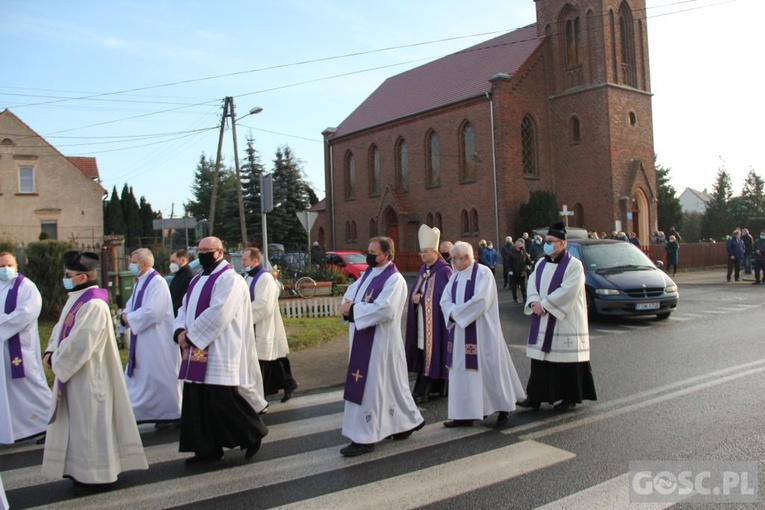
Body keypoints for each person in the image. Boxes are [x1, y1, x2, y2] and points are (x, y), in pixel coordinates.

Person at [42, 251, 147, 485]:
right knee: (79, 427)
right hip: (74, 375)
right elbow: (60, 330)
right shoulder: (76, 298)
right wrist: (50, 351)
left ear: (82, 277)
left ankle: (97, 476)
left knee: (90, 426)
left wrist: (56, 361)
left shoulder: (95, 304)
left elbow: (82, 343)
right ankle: (78, 471)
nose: (64, 279)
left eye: (68, 275)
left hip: (90, 376)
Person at [174, 237, 268, 464]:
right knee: (198, 401)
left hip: (220, 349)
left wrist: (191, 336)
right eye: (201, 250)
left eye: (208, 250)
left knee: (221, 399)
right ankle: (207, 449)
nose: (204, 253)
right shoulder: (196, 280)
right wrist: (178, 330)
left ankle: (253, 433)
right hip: (196, 349)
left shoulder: (230, 279)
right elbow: (184, 307)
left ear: (220, 252)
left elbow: (220, 313)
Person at [338, 237, 424, 457]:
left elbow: (385, 310)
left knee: (372, 387)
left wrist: (354, 309)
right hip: (363, 339)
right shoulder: (368, 274)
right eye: (368, 251)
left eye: (373, 252)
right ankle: (404, 423)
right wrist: (347, 306)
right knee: (388, 386)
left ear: (386, 255)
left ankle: (365, 437)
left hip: (380, 343)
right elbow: (351, 293)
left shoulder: (395, 280)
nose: (369, 256)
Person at [439, 241, 525, 427]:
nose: (452, 263)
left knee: (491, 370)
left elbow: (481, 301)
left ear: (468, 258)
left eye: (455, 259)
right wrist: (453, 313)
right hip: (460, 334)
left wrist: (456, 314)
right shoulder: (454, 276)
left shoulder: (483, 274)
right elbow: (444, 300)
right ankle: (465, 414)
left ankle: (504, 408)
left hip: (482, 332)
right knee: (463, 374)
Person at [517, 222, 597, 411]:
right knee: (540, 361)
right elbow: (532, 284)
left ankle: (569, 397)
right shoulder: (541, 263)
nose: (547, 244)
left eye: (551, 241)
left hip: (565, 320)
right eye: (546, 241)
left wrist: (544, 305)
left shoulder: (574, 266)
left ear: (562, 244)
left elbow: (568, 291)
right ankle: (535, 397)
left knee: (565, 363)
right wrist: (534, 303)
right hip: (542, 318)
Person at [120, 248, 181, 424]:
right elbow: (129, 305)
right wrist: (126, 315)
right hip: (143, 339)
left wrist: (128, 318)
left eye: (133, 262)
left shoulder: (157, 283)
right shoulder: (140, 282)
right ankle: (144, 411)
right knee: (144, 376)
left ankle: (169, 412)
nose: (130, 265)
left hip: (157, 340)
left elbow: (152, 312)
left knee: (158, 376)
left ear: (145, 263)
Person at [0, 252, 50, 444]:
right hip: (2, 347)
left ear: (16, 266)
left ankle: (51, 423)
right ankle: (17, 429)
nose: (5, 269)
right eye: (2, 265)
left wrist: (2, 325)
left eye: (9, 265)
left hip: (20, 348)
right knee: (8, 390)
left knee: (31, 383)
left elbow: (27, 312)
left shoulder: (27, 287)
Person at [242, 247, 299, 403]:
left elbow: (263, 305)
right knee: (271, 359)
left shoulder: (265, 278)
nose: (242, 262)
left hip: (264, 324)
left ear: (255, 260)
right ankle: (288, 384)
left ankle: (262, 395)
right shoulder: (248, 277)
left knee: (267, 359)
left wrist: (243, 315)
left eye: (245, 259)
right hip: (252, 325)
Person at [405, 225, 453, 404]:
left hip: (436, 323)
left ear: (435, 252)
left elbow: (446, 298)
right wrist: (415, 299)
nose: (422, 255)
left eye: (425, 252)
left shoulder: (444, 270)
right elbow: (416, 292)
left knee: (433, 353)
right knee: (424, 352)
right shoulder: (423, 270)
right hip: (422, 321)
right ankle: (435, 389)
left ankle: (422, 390)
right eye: (421, 252)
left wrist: (422, 298)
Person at [168, 249, 196, 317]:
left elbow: (182, 302)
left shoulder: (189, 277)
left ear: (183, 260)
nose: (171, 264)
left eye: (173, 261)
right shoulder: (178, 275)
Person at [508, 239, 532, 303]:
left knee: (523, 286)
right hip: (514, 272)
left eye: (522, 244)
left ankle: (525, 299)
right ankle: (515, 298)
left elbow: (527, 260)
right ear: (517, 245)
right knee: (514, 287)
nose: (522, 245)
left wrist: (530, 263)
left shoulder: (523, 251)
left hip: (522, 272)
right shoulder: (511, 252)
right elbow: (508, 262)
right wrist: (510, 270)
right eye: (520, 244)